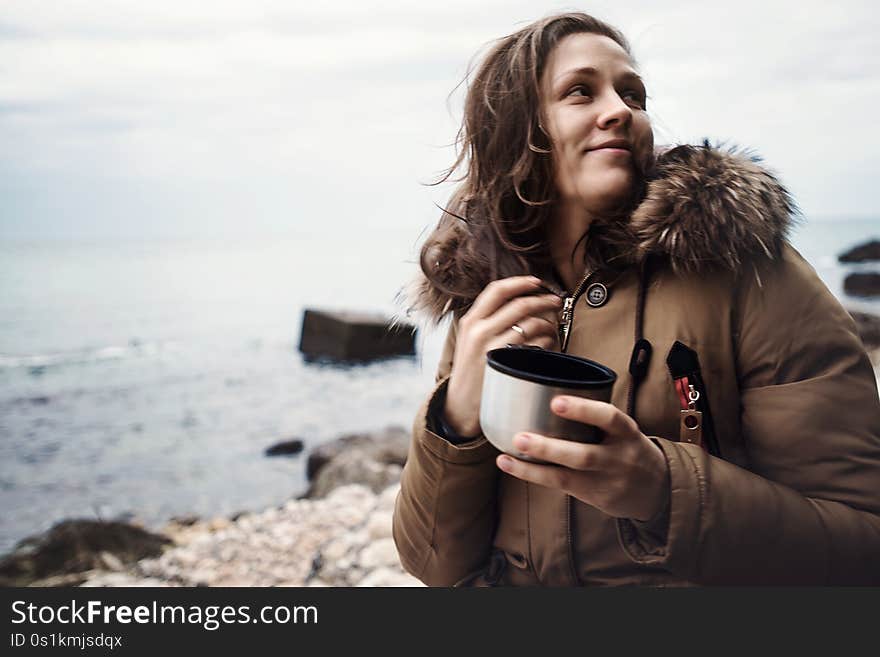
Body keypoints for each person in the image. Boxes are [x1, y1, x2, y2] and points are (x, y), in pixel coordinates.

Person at [392, 12, 880, 586]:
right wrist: (455, 418)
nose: (622, 110)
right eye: (580, 91)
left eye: (633, 94)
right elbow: (433, 565)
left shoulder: (741, 268)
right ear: (520, 134)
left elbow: (860, 548)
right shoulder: (488, 304)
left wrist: (661, 491)